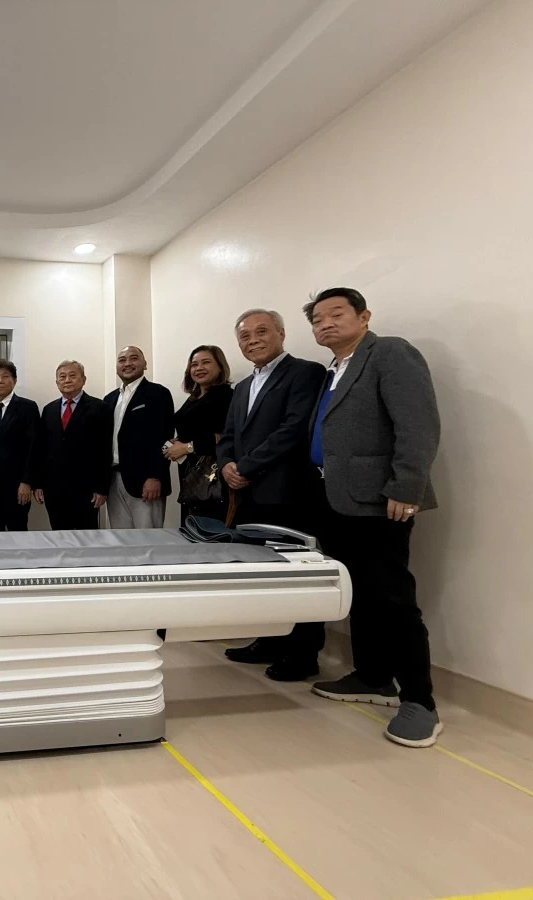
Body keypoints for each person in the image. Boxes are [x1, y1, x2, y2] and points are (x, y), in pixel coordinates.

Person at [304, 288, 443, 748]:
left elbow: (418, 424)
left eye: (335, 314)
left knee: (393, 598)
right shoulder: (334, 370)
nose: (324, 324)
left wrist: (406, 486)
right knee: (356, 591)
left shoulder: (389, 353)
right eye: (317, 319)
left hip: (381, 500)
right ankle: (372, 677)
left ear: (364, 316)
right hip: (335, 499)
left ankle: (420, 702)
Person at [217, 310, 327, 681]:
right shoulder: (243, 387)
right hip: (249, 496)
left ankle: (303, 652)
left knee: (297, 575)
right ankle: (270, 639)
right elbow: (229, 433)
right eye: (244, 335)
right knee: (264, 574)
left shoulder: (306, 373)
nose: (253, 339)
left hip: (289, 493)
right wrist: (227, 464)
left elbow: (294, 429)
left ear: (281, 333)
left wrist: (244, 467)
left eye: (261, 331)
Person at [32, 360, 113, 530]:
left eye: (72, 375)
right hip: (54, 487)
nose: (67, 380)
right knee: (59, 534)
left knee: (87, 537)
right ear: (57, 383)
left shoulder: (100, 408)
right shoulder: (49, 410)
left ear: (83, 380)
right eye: (62, 377)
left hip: (86, 488)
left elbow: (104, 450)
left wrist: (101, 487)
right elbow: (41, 448)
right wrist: (38, 483)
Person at [105, 345, 175, 529]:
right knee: (120, 539)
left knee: (148, 540)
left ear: (145, 364)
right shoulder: (109, 399)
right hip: (113, 480)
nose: (127, 363)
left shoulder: (158, 393)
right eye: (122, 360)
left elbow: (164, 436)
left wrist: (155, 476)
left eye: (133, 358)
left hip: (146, 481)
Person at [165, 345, 235, 522]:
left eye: (206, 362)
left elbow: (227, 438)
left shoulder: (226, 396)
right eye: (194, 364)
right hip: (191, 476)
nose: (199, 368)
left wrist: (188, 447)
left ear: (220, 366)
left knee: (211, 531)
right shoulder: (193, 397)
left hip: (213, 478)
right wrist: (179, 441)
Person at [0, 359, 39, 531]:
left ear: (15, 380)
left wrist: (26, 482)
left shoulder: (27, 407)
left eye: (5, 376)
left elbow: (33, 447)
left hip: (17, 487)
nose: (0, 381)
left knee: (17, 532)